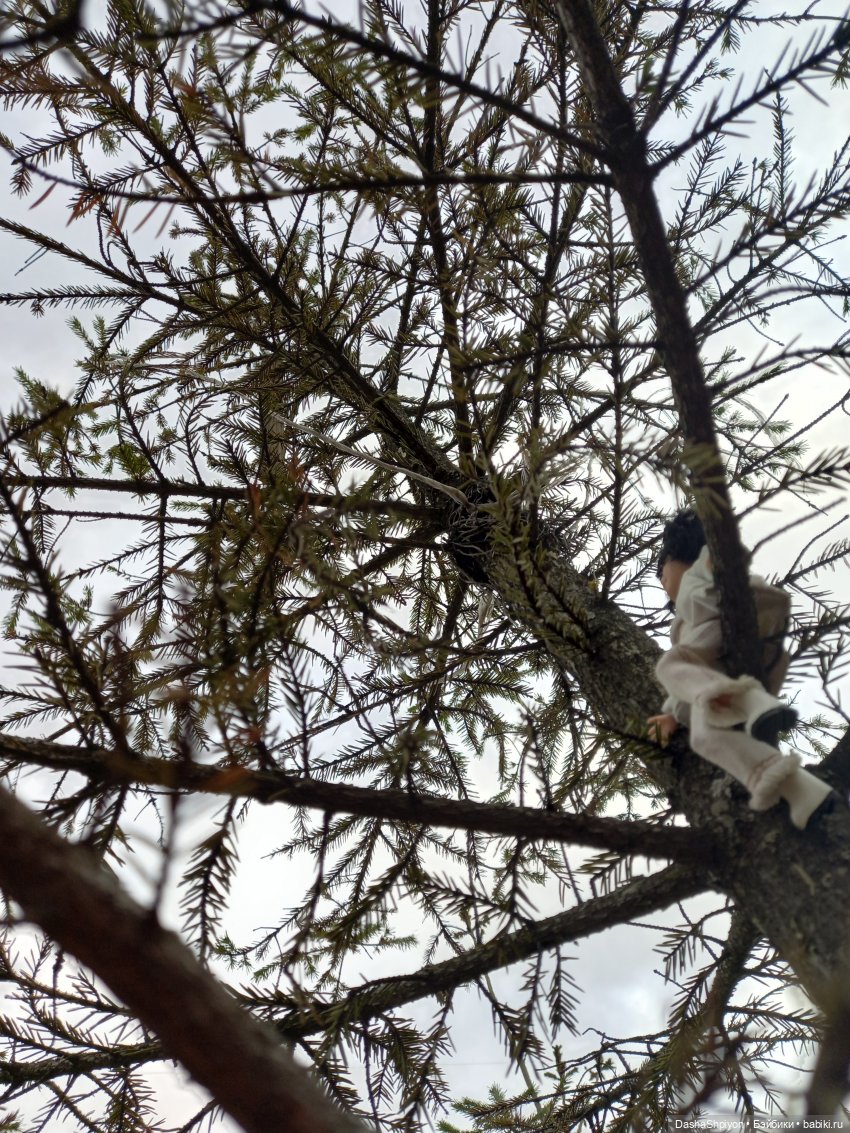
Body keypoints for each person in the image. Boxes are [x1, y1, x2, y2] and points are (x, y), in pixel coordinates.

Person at [646, 509, 833, 829]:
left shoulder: (701, 573)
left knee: (671, 664)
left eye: (663, 569)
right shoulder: (690, 607)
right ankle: (802, 791)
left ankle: (749, 702)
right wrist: (675, 715)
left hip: (731, 623)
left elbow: (690, 671)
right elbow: (697, 680)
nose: (662, 581)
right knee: (705, 735)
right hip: (756, 660)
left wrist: (713, 546)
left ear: (680, 554)